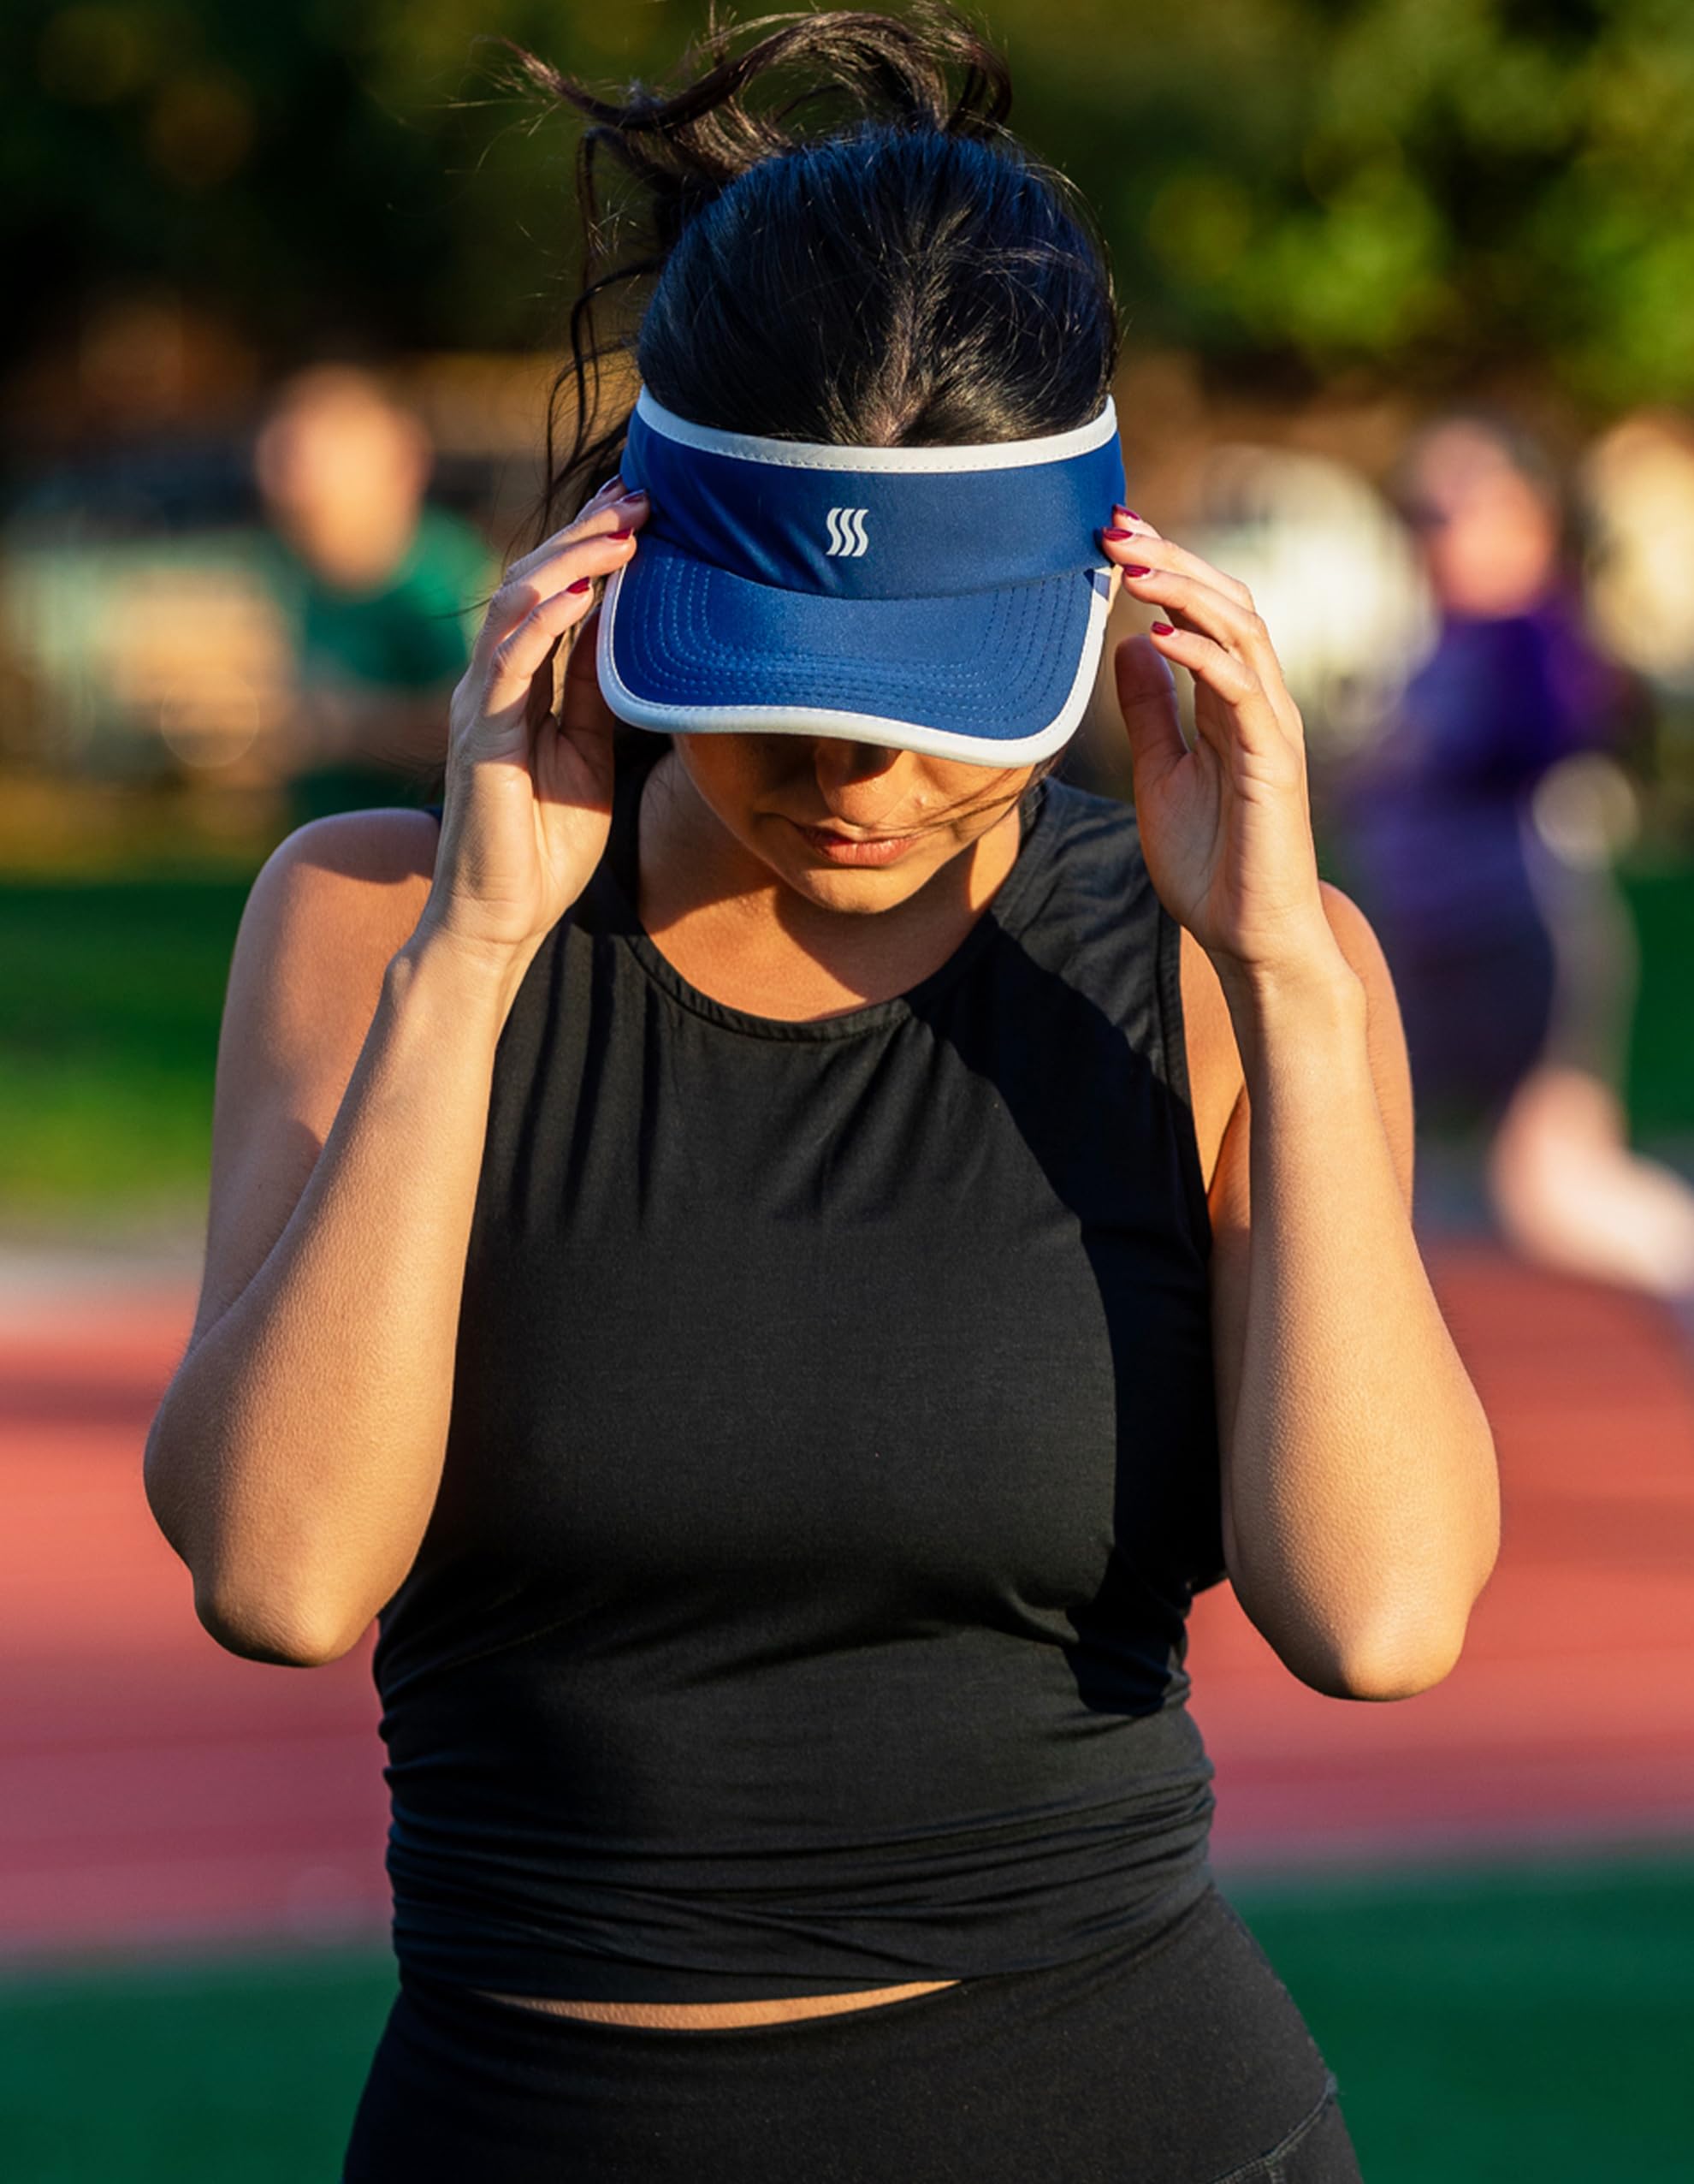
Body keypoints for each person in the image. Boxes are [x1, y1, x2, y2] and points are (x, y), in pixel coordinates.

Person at [142, 9, 1499, 2178]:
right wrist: (476, 949)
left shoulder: (1247, 979)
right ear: (630, 569)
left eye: (926, 700)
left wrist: (1278, 958)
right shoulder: (371, 925)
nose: (854, 777)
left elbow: (1378, 1611)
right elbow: (284, 1571)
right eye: (779, 691)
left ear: (1101, 593)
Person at [1338, 413, 1694, 1302]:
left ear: (1529, 518)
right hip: (1435, 950)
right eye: (1420, 508)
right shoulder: (1437, 644)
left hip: (1512, 943)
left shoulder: (1528, 634)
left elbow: (1561, 730)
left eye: (1460, 506)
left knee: (1543, 1183)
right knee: (1367, 1174)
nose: (1434, 530)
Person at [252, 362, 496, 824]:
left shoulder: (441, 580)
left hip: (423, 853)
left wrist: (348, 730)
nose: (284, 486)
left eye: (307, 461)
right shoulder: (301, 575)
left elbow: (489, 721)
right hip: (328, 846)